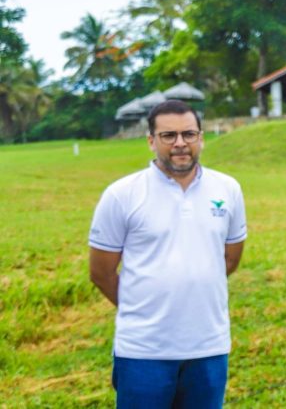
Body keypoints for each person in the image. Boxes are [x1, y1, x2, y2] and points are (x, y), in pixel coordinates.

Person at [88, 99, 247, 408]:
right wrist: (143, 308)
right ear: (151, 141)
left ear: (201, 137)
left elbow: (229, 259)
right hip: (144, 350)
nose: (180, 144)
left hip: (208, 347)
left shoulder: (227, 189)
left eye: (188, 134)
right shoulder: (122, 194)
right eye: (168, 136)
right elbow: (101, 272)